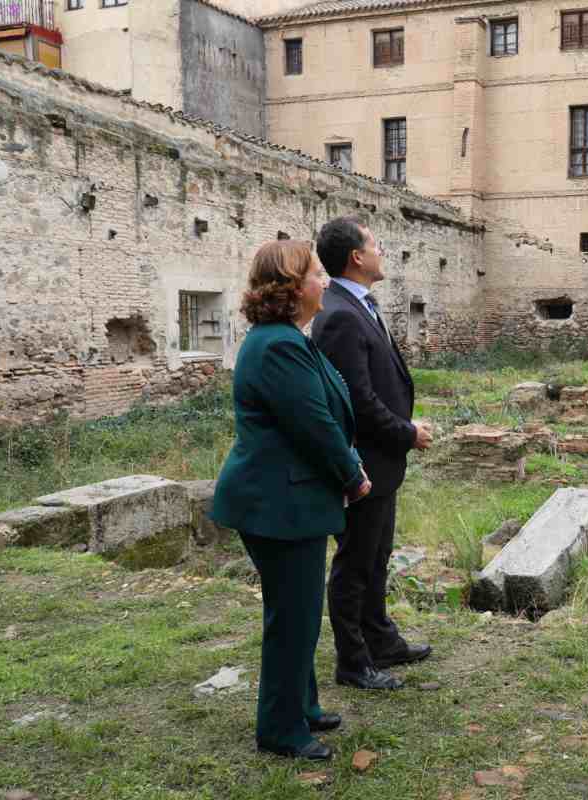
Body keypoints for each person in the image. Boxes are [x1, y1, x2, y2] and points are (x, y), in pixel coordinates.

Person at [211, 240, 371, 761]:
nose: (325, 282)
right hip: (278, 504)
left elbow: (323, 410)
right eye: (317, 274)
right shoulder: (278, 345)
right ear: (291, 286)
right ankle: (281, 728)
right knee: (293, 617)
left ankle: (302, 706)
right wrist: (352, 475)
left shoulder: (285, 339)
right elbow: (314, 426)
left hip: (287, 499)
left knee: (297, 611)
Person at [312, 216, 433, 691]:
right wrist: (407, 432)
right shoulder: (340, 313)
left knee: (377, 556)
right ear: (356, 258)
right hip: (364, 461)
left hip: (383, 462)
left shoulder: (358, 303)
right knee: (355, 563)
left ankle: (380, 637)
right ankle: (353, 661)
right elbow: (356, 400)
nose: (381, 250)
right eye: (375, 244)